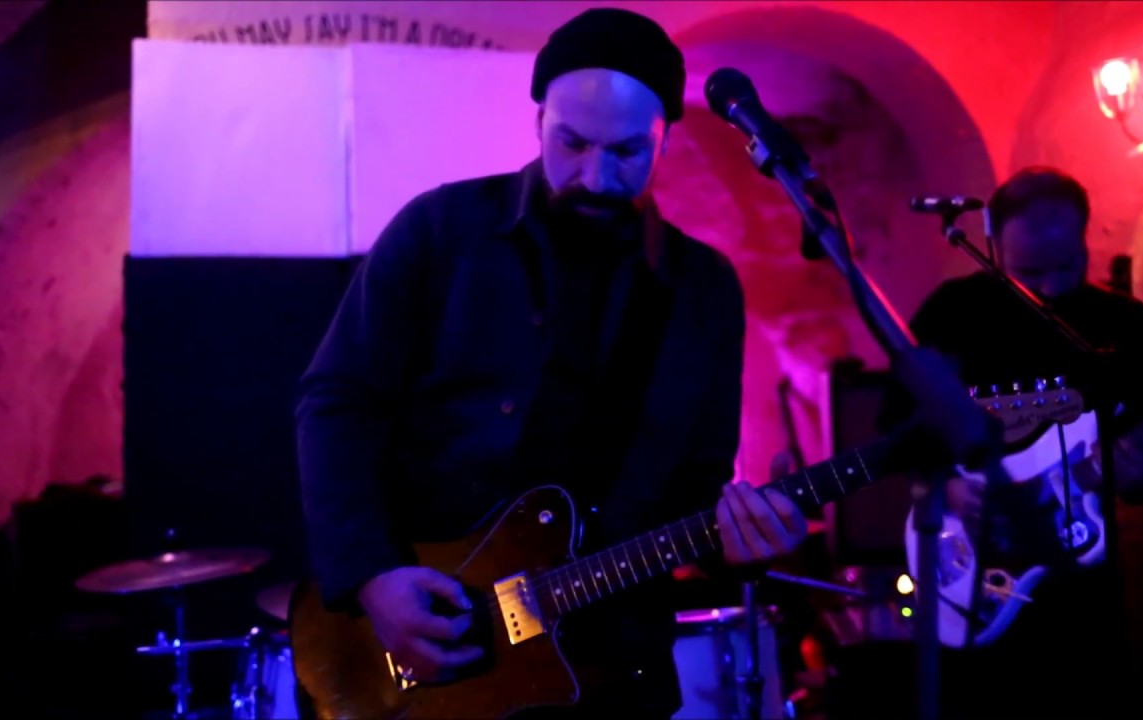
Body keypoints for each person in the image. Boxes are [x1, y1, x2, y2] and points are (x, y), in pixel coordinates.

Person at [293, 8, 810, 719]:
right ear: (538, 120)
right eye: (571, 143)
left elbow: (694, 493)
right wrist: (374, 575)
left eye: (627, 151)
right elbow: (336, 402)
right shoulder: (441, 232)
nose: (595, 177)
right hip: (442, 648)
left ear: (664, 140)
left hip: (615, 672)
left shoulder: (703, 290)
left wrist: (748, 540)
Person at [880, 166, 1143, 718]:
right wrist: (943, 489)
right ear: (993, 246)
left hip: (1082, 603)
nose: (1052, 288)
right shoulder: (952, 314)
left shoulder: (1125, 327)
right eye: (1030, 273)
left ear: (1086, 236)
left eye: (1067, 266)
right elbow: (893, 434)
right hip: (974, 579)